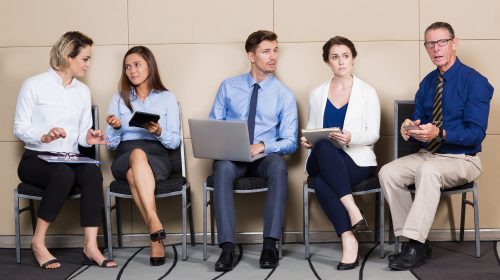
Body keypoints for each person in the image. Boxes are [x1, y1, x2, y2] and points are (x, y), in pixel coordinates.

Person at [379, 22, 494, 271]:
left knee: (427, 172)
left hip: (463, 159)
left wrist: (440, 132)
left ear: (454, 43)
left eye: (441, 42)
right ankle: (414, 240)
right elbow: (419, 117)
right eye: (430, 44)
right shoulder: (428, 82)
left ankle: (415, 246)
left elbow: (476, 133)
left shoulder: (475, 82)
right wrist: (409, 126)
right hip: (429, 154)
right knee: (388, 172)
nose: (436, 48)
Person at [14, 31, 117, 269]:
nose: (89, 64)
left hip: (69, 158)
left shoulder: (82, 92)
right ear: (68, 56)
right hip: (35, 159)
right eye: (85, 59)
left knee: (92, 173)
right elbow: (19, 127)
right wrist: (44, 135)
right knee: (63, 174)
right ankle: (38, 243)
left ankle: (90, 247)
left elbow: (81, 134)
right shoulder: (33, 85)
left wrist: (89, 138)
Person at [208, 30, 298, 271]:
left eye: (275, 50)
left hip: (264, 158)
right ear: (251, 56)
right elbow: (213, 126)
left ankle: (269, 245)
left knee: (279, 166)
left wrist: (264, 146)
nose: (273, 56)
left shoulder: (284, 95)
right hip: (233, 157)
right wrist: (226, 146)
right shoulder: (228, 87)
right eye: (266, 51)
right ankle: (227, 248)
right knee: (222, 168)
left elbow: (290, 141)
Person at [301, 36, 380, 270]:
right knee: (323, 145)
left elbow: (374, 133)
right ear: (328, 62)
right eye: (335, 57)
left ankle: (348, 238)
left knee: (320, 181)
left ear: (353, 59)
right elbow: (313, 129)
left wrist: (350, 137)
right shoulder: (316, 94)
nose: (341, 61)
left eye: (345, 56)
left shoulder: (367, 92)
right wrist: (308, 140)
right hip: (321, 157)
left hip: (357, 160)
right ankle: (353, 209)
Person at [105, 46, 181, 266]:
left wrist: (159, 131)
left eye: (137, 64)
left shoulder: (166, 97)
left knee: (133, 175)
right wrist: (116, 128)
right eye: (127, 67)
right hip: (124, 154)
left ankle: (154, 233)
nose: (132, 71)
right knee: (136, 155)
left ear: (150, 66)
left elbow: (174, 141)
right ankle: (155, 223)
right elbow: (110, 145)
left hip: (157, 155)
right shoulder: (119, 99)